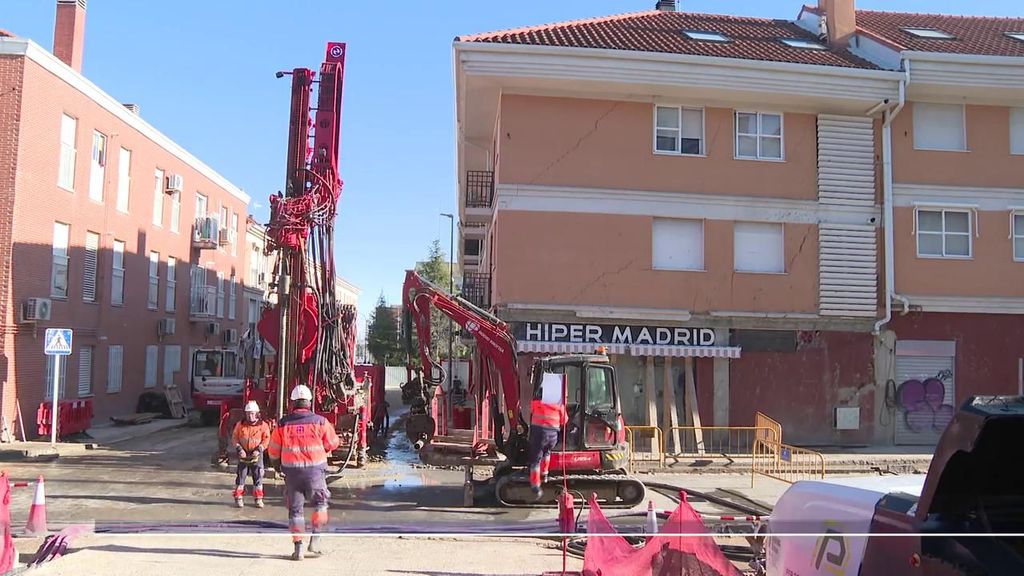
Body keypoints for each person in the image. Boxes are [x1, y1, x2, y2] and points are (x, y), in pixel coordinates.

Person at [267, 384, 341, 561]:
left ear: (292, 403)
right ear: (309, 402)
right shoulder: (320, 421)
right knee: (321, 504)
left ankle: (298, 549)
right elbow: (333, 443)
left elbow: (273, 450)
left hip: (291, 474)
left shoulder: (282, 424)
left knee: (295, 511)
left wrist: (277, 467)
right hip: (315, 472)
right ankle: (315, 539)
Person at [526, 385, 568, 500]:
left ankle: (535, 487)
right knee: (547, 452)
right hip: (552, 436)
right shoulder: (559, 405)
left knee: (535, 460)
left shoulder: (536, 403)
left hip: (540, 434)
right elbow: (565, 420)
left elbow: (531, 411)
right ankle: (544, 474)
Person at [230, 401, 271, 508]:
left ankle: (258, 499)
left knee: (258, 478)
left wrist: (259, 450)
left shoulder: (263, 426)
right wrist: (239, 449)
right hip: (243, 454)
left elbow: (266, 439)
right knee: (240, 478)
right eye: (248, 413)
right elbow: (234, 438)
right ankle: (238, 498)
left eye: (252, 413)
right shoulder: (240, 425)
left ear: (257, 413)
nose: (250, 416)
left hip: (256, 455)